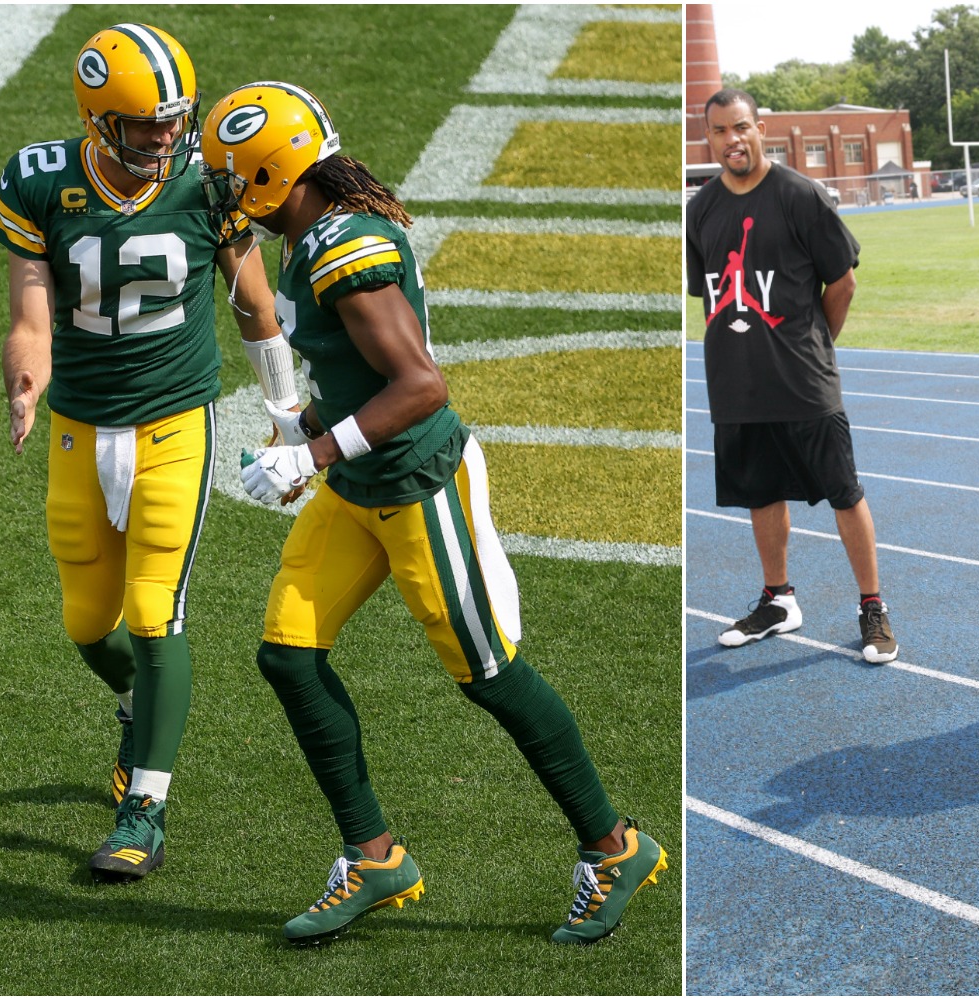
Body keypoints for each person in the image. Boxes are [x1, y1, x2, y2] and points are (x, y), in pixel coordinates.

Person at [198, 81, 666, 946]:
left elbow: (420, 387)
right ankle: (374, 856)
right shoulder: (312, 235)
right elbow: (354, 378)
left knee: (490, 676)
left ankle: (614, 845)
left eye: (235, 179)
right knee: (288, 655)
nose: (227, 196)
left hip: (416, 482)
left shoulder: (345, 245)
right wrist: (299, 434)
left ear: (272, 177)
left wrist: (312, 453)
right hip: (357, 484)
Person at [0, 22, 291, 882]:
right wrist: (26, 379)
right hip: (78, 426)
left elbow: (253, 303)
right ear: (98, 118)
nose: (167, 137)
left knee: (157, 612)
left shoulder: (204, 182)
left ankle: (145, 805)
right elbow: (30, 318)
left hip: (172, 426)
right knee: (89, 625)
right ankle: (138, 712)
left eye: (175, 120)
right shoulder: (41, 181)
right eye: (148, 124)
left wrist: (286, 412)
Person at [685, 87, 898, 665]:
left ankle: (872, 607)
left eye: (742, 128)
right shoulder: (699, 209)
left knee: (844, 493)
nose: (733, 140)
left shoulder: (800, 195)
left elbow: (844, 281)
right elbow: (710, 300)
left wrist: (812, 345)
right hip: (738, 386)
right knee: (761, 492)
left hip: (805, 382)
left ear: (761, 129)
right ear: (710, 138)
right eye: (721, 131)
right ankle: (779, 601)